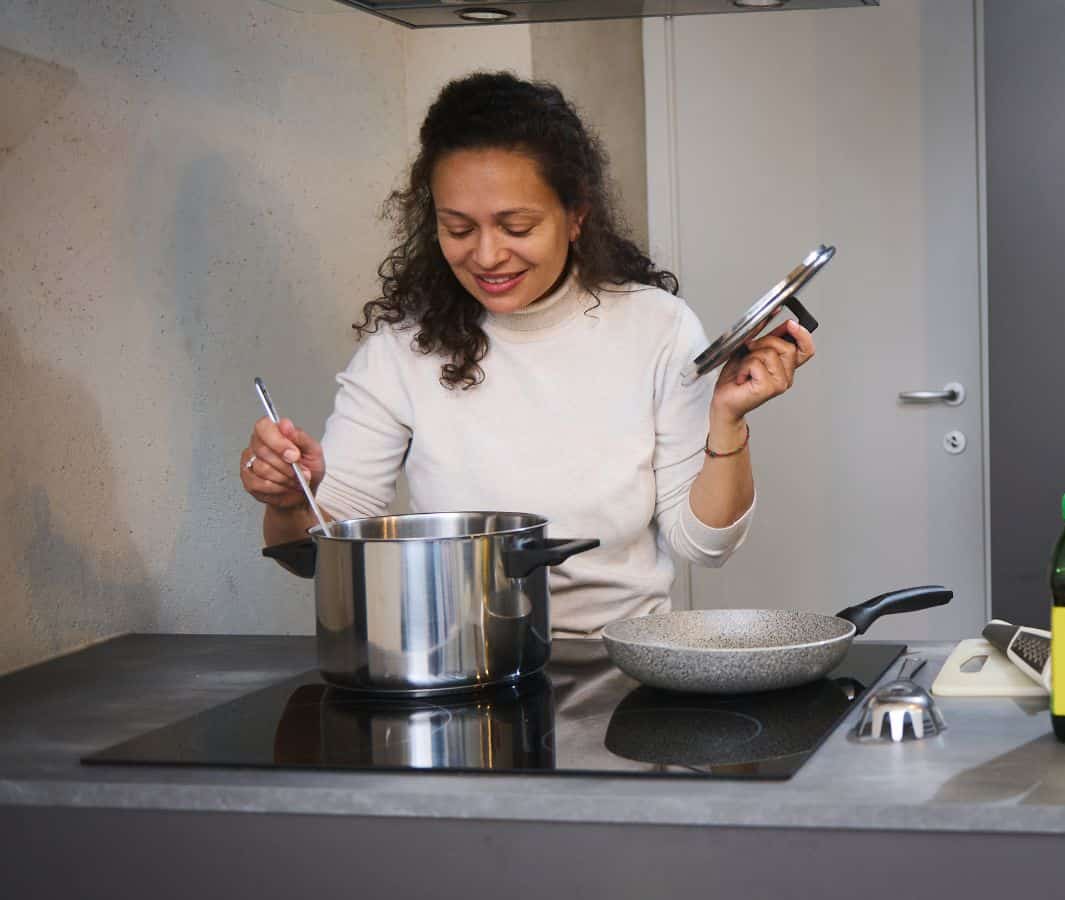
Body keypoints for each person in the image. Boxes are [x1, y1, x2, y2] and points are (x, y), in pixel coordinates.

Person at [238, 72, 813, 637]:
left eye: (516, 225)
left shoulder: (656, 326)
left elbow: (704, 544)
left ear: (576, 214)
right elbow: (314, 551)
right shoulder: (399, 351)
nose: (487, 255)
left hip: (618, 666)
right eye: (458, 228)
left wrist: (726, 418)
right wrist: (291, 498)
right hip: (458, 662)